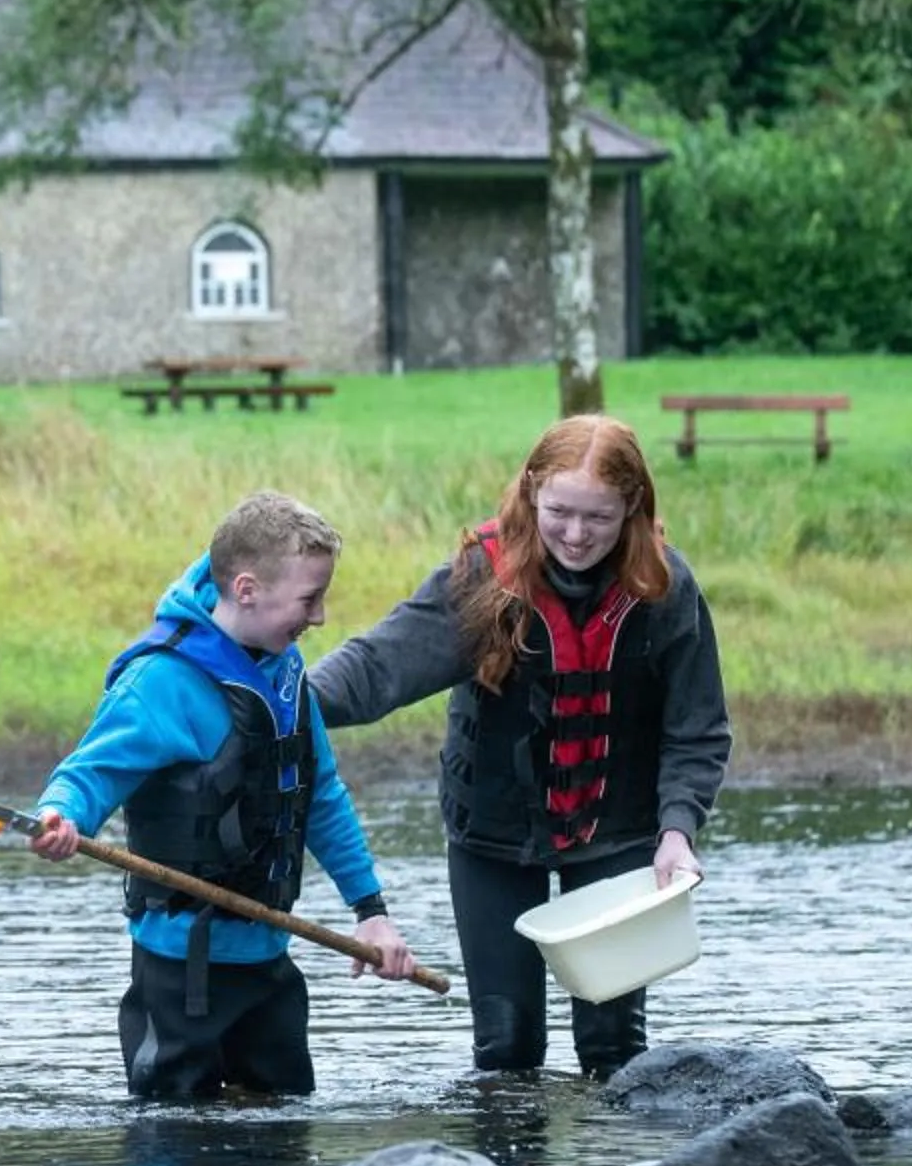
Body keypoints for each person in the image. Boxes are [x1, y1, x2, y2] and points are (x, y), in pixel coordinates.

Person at [309, 414, 730, 1078]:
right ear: (532, 491)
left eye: (599, 517)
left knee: (614, 1049)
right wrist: (272, 701)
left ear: (634, 507)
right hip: (492, 834)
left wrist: (678, 829)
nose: (575, 534)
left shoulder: (664, 589)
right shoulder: (485, 577)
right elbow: (378, 667)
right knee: (506, 1049)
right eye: (560, 511)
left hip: (618, 834)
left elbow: (697, 728)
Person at [29, 490, 421, 1099]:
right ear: (246, 590)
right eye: (309, 599)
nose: (319, 618)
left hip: (269, 964)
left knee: (284, 1125)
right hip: (182, 971)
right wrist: (61, 816)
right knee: (176, 1143)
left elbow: (321, 796)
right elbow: (89, 773)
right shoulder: (161, 681)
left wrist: (371, 913)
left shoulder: (287, 674)